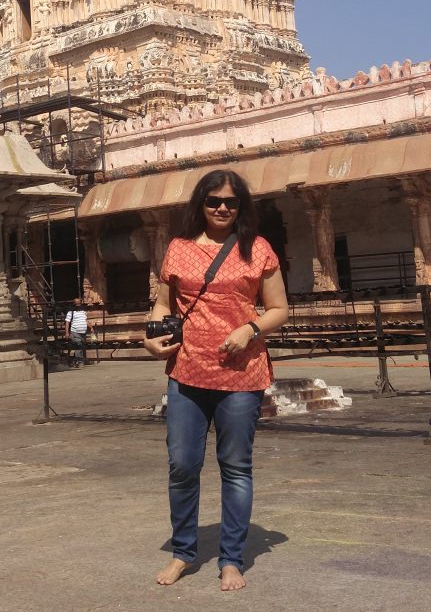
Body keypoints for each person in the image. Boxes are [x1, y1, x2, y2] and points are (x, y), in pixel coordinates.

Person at [143, 169, 289, 591]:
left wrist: (250, 329)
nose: (222, 208)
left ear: (241, 206)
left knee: (236, 467)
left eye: (231, 202)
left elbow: (279, 308)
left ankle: (231, 559)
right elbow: (163, 305)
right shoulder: (179, 248)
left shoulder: (257, 249)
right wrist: (150, 337)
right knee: (182, 465)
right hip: (187, 371)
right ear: (201, 204)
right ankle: (183, 552)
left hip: (242, 373)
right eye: (213, 201)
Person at [65, 297, 89, 367]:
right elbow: (67, 322)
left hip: (83, 332)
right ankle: (79, 362)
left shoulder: (83, 312)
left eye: (79, 303)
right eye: (76, 304)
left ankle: (73, 360)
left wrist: (91, 327)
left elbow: (86, 320)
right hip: (75, 332)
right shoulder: (71, 312)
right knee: (79, 346)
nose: (78, 305)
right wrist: (67, 332)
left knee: (81, 346)